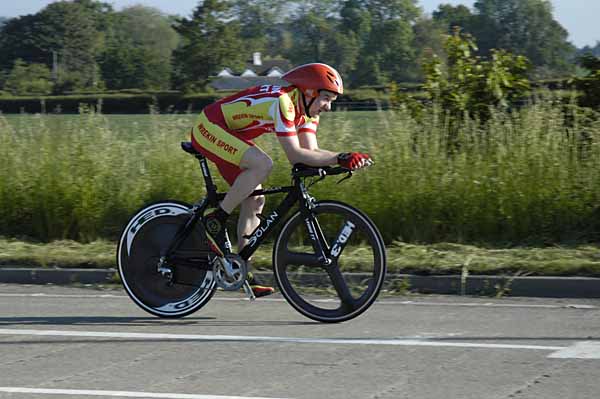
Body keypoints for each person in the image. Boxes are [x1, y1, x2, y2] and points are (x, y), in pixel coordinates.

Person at [189, 63, 373, 297]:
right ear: (308, 92)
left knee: (255, 202)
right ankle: (214, 220)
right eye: (325, 98)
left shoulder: (307, 111)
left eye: (331, 101)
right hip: (210, 127)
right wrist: (338, 158)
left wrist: (345, 158)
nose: (327, 107)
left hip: (232, 134)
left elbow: (311, 152)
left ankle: (243, 269)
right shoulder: (283, 102)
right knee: (263, 164)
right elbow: (295, 155)